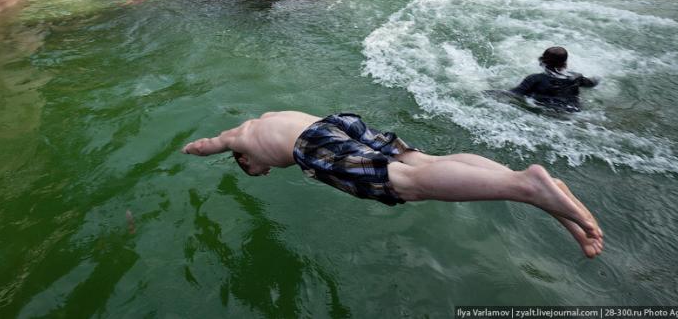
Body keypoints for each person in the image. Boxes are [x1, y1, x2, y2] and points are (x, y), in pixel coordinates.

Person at [182, 111, 604, 259]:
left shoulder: (239, 141)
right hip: (335, 123)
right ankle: (538, 192)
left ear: (243, 159)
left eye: (256, 171)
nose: (264, 171)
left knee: (409, 184)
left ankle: (527, 187)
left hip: (313, 144)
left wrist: (192, 149)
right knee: (425, 162)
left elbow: (207, 144)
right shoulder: (267, 118)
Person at [508, 47, 599, 112]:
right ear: (565, 64)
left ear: (542, 61)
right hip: (572, 111)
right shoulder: (576, 77)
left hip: (545, 112)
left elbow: (514, 94)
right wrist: (598, 77)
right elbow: (592, 83)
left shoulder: (534, 79)